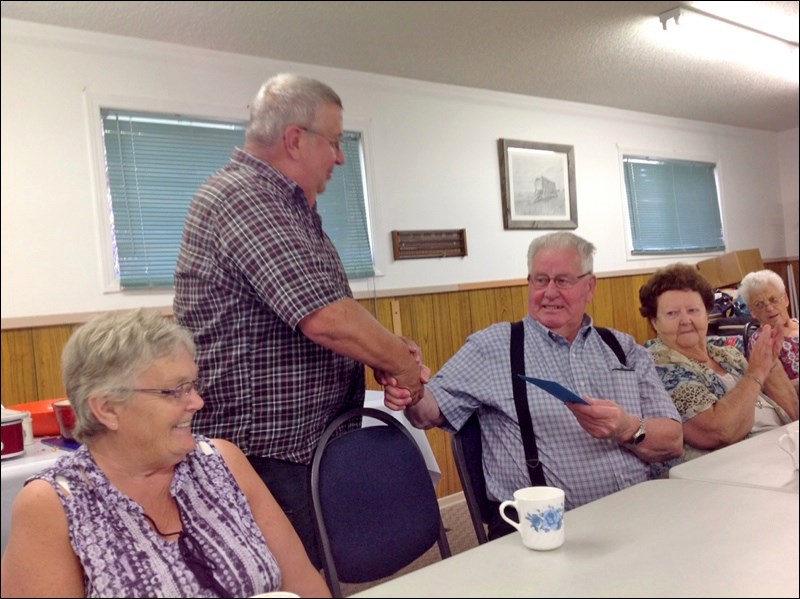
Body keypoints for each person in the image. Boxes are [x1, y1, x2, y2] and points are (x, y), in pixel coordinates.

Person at [172, 73, 426, 567]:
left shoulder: (291, 206)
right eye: (333, 142)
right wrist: (404, 365)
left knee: (315, 569)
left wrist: (386, 355)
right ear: (294, 139)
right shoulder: (246, 197)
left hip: (298, 447)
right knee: (287, 579)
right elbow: (326, 319)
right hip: (265, 454)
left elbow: (334, 312)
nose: (340, 157)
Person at [0, 309, 331, 599]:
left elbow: (306, 586)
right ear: (107, 409)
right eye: (176, 391)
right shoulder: (55, 504)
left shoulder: (222, 462)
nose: (197, 402)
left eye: (193, 385)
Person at [384, 232, 683, 539]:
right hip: (550, 530)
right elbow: (427, 412)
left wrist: (628, 428)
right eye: (540, 280)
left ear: (589, 286)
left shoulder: (623, 348)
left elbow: (673, 440)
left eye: (563, 281)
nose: (549, 292)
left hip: (640, 515)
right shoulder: (495, 347)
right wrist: (409, 381)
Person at [639, 264, 797, 463]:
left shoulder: (726, 353)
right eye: (672, 314)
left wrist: (770, 364)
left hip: (779, 450)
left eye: (693, 310)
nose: (685, 320)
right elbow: (717, 432)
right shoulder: (657, 365)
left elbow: (792, 413)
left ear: (706, 314)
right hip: (729, 469)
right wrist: (756, 372)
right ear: (654, 321)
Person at [738, 269, 799, 394]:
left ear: (786, 299)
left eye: (773, 300)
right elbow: (772, 389)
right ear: (752, 312)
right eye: (759, 305)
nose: (770, 308)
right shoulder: (761, 342)